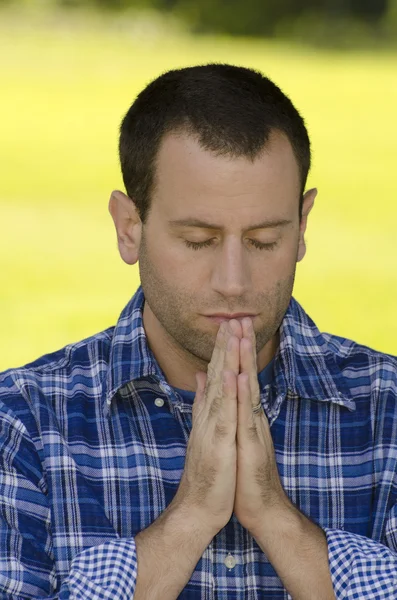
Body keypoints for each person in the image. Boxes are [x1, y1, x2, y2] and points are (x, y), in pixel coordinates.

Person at [0, 63, 396, 600]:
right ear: (129, 227)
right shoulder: (22, 423)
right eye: (198, 240)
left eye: (263, 241)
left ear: (302, 227)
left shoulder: (388, 413)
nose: (234, 283)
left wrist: (276, 519)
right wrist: (189, 519)